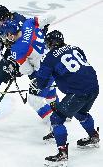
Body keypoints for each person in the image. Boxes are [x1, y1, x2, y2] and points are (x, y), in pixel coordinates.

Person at [31, 30, 99, 166]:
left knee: (56, 119)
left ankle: (62, 154)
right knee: (81, 112)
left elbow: (42, 83)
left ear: (50, 43)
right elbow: (80, 66)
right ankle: (93, 137)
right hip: (94, 87)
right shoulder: (76, 48)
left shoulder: (49, 57)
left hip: (78, 92)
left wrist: (37, 85)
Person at [0, 17, 58, 125]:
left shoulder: (17, 49)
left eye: (6, 35)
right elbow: (50, 17)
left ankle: (55, 123)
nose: (5, 38)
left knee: (34, 100)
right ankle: (61, 113)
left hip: (45, 72)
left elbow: (27, 70)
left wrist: (17, 70)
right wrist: (43, 28)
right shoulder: (28, 24)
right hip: (56, 63)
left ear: (11, 35)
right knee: (50, 88)